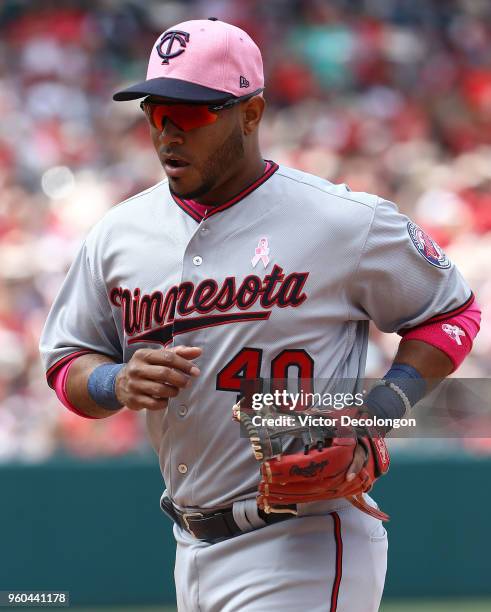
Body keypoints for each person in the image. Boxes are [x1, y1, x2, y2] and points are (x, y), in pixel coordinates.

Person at [40, 18, 480, 612]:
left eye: (189, 114)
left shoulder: (342, 221)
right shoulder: (118, 235)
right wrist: (112, 380)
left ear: (250, 113)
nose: (166, 132)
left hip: (305, 539)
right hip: (188, 543)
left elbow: (450, 313)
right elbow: (66, 363)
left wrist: (378, 412)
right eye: (153, 112)